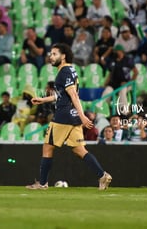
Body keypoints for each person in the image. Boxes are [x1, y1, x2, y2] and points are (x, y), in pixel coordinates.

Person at [26, 43, 112, 190]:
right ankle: (102, 175)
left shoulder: (64, 72)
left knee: (47, 147)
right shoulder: (71, 70)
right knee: (79, 150)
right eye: (51, 54)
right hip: (73, 116)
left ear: (63, 55)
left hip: (63, 116)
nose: (51, 57)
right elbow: (62, 95)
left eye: (54, 54)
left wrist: (83, 116)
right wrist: (43, 99)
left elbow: (73, 95)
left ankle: (42, 183)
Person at [102, 45, 138, 115]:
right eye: (115, 51)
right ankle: (103, 110)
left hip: (125, 83)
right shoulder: (113, 60)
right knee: (106, 92)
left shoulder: (128, 60)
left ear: (122, 51)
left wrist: (130, 83)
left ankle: (124, 112)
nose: (116, 52)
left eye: (118, 51)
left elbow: (136, 72)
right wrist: (105, 84)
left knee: (122, 91)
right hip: (113, 84)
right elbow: (110, 73)